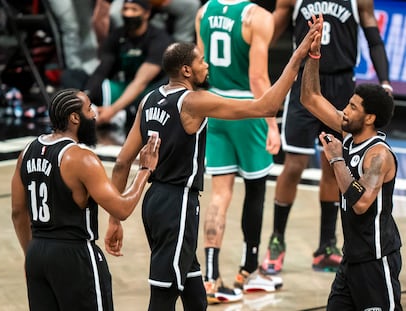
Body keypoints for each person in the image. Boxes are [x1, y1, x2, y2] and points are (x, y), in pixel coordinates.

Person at [104, 19, 321, 310]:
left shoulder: (149, 100)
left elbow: (121, 163)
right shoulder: (194, 101)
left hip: (153, 202)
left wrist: (114, 219)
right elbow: (265, 106)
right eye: (202, 61)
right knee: (163, 295)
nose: (207, 66)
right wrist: (298, 56)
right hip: (178, 204)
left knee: (194, 293)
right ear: (186, 70)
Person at [260, 0, 393, 275]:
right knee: (294, 164)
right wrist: (255, 69)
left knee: (333, 168)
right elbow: (267, 35)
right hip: (307, 81)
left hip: (343, 86)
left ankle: (327, 244)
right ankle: (276, 240)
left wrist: (385, 81)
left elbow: (374, 40)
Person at [11, 88, 160, 311]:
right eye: (89, 108)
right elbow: (122, 208)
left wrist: (30, 254)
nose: (95, 114)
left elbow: (17, 212)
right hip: (74, 256)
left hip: (37, 255)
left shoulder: (27, 152)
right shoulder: (80, 157)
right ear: (74, 117)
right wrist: (145, 170)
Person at [300, 15, 402, 310]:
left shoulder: (378, 155)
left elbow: (360, 202)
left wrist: (335, 160)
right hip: (351, 259)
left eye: (352, 107)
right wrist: (314, 54)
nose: (344, 110)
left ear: (369, 118)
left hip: (376, 260)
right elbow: (310, 97)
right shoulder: (349, 133)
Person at [195, 0, 282, 304]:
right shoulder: (257, 16)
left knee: (219, 195)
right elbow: (258, 78)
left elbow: (199, 67)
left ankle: (209, 276)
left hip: (215, 106)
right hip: (248, 108)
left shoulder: (204, 12)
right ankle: (247, 270)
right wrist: (272, 124)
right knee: (256, 190)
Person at [84, 0, 173, 127]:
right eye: (125, 9)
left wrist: (113, 110)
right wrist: (85, 99)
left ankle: (126, 115)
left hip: (150, 89)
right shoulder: (117, 35)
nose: (128, 14)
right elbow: (103, 69)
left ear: (146, 13)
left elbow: (141, 81)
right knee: (75, 77)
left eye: (134, 10)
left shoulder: (159, 39)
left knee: (152, 97)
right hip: (125, 84)